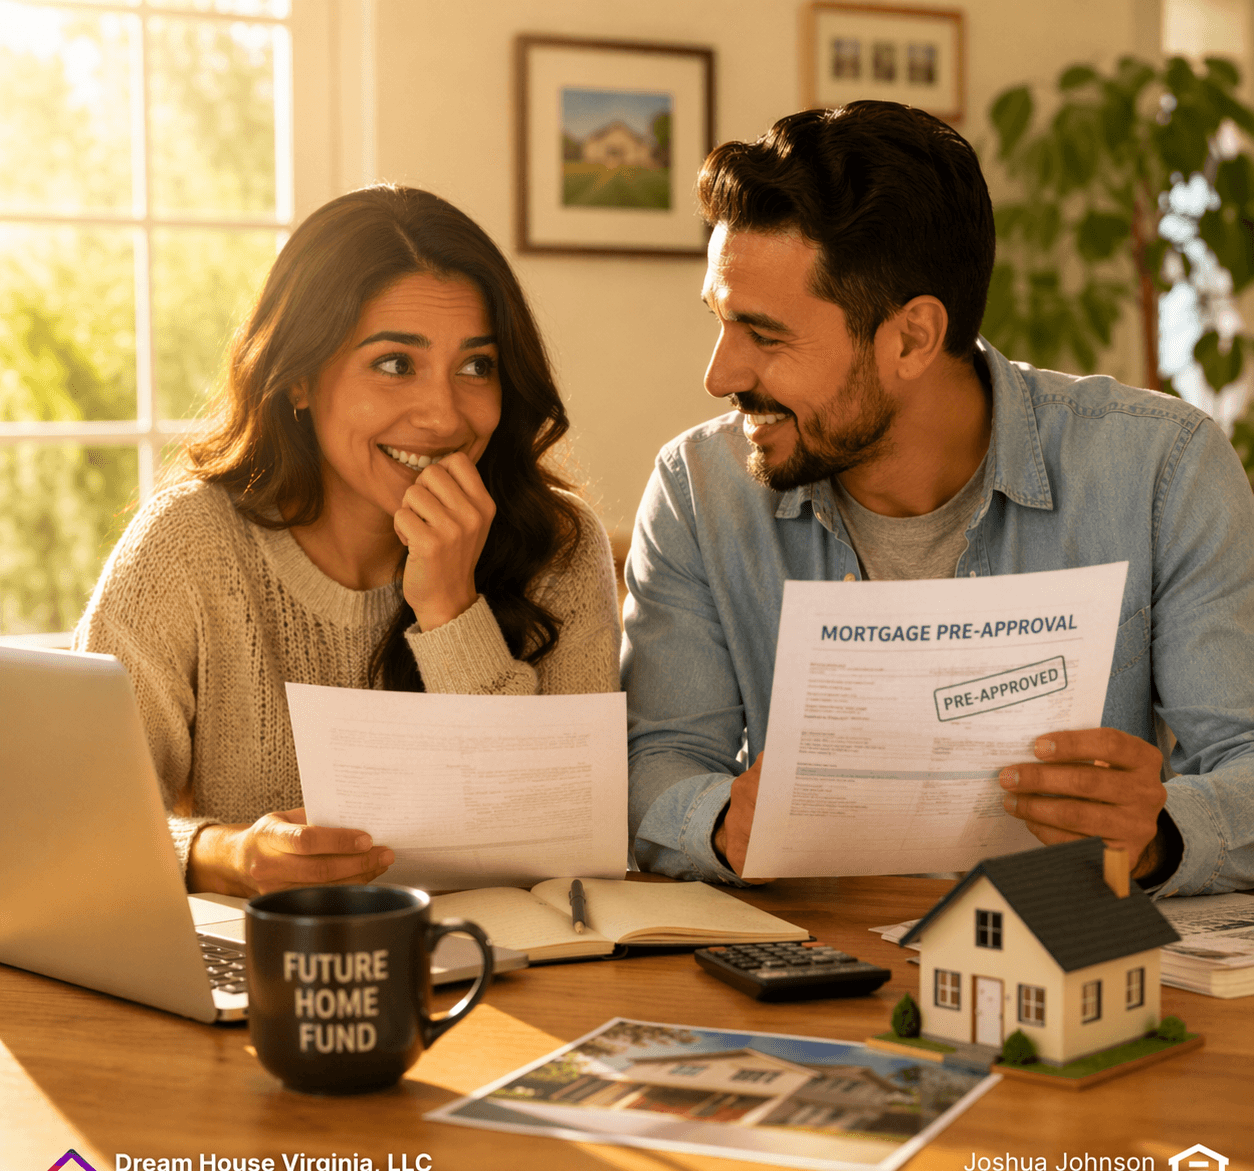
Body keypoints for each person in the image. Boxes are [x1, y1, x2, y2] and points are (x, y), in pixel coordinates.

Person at [622, 103, 1254, 894]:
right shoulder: (695, 492)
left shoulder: (1164, 468)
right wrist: (719, 822)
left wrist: (1156, 833)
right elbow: (657, 763)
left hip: (1070, 957)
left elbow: (1248, 758)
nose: (720, 376)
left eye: (765, 335)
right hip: (812, 961)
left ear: (913, 338)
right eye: (719, 322)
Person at [76, 186, 621, 897]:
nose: (444, 413)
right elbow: (80, 822)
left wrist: (452, 608)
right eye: (396, 364)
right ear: (300, 379)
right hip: (274, 975)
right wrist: (228, 855)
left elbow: (562, 846)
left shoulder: (560, 548)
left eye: (476, 366)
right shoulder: (187, 547)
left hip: (515, 979)